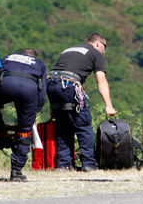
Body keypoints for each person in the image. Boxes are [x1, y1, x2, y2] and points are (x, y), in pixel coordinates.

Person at [47, 32, 116, 172]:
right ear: (98, 44)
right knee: (83, 125)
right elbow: (101, 81)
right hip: (70, 85)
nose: (104, 51)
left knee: (63, 126)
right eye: (104, 47)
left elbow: (57, 74)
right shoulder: (96, 53)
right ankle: (89, 164)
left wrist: (52, 105)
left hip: (52, 85)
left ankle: (64, 165)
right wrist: (108, 105)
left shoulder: (69, 49)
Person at [0, 48, 47, 182]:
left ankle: (1, 135)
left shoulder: (8, 57)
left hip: (6, 84)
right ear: (34, 57)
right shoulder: (39, 63)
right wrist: (36, 109)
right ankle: (16, 171)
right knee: (25, 131)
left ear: (20, 54)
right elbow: (42, 88)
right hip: (29, 89)